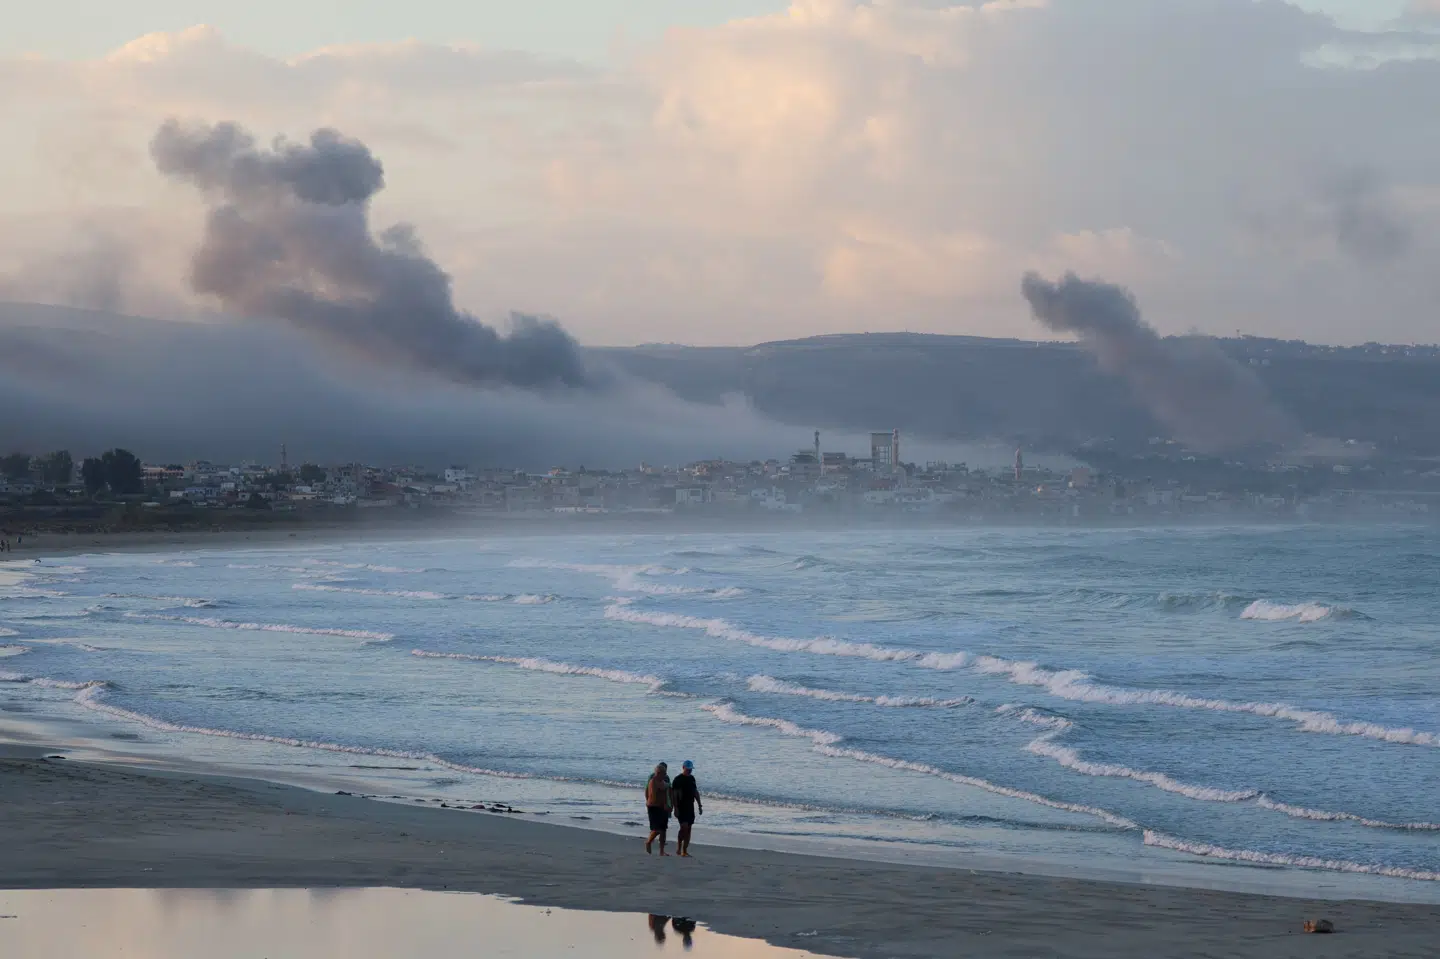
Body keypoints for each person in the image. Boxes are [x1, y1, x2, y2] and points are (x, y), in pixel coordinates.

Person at [671, 759, 703, 857]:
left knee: (689, 829)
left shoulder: (692, 779)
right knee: (683, 828)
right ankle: (679, 847)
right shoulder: (678, 779)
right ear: (683, 768)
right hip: (681, 806)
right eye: (688, 769)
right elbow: (674, 795)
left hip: (690, 806)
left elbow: (695, 792)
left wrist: (699, 805)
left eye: (690, 769)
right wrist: (675, 808)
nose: (689, 771)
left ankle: (684, 850)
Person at [644, 762, 672, 855]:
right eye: (664, 773)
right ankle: (648, 842)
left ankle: (662, 851)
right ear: (658, 773)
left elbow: (666, 787)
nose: (665, 775)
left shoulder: (663, 780)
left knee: (663, 830)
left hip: (662, 807)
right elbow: (655, 794)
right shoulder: (653, 781)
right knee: (657, 829)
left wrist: (668, 804)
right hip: (654, 807)